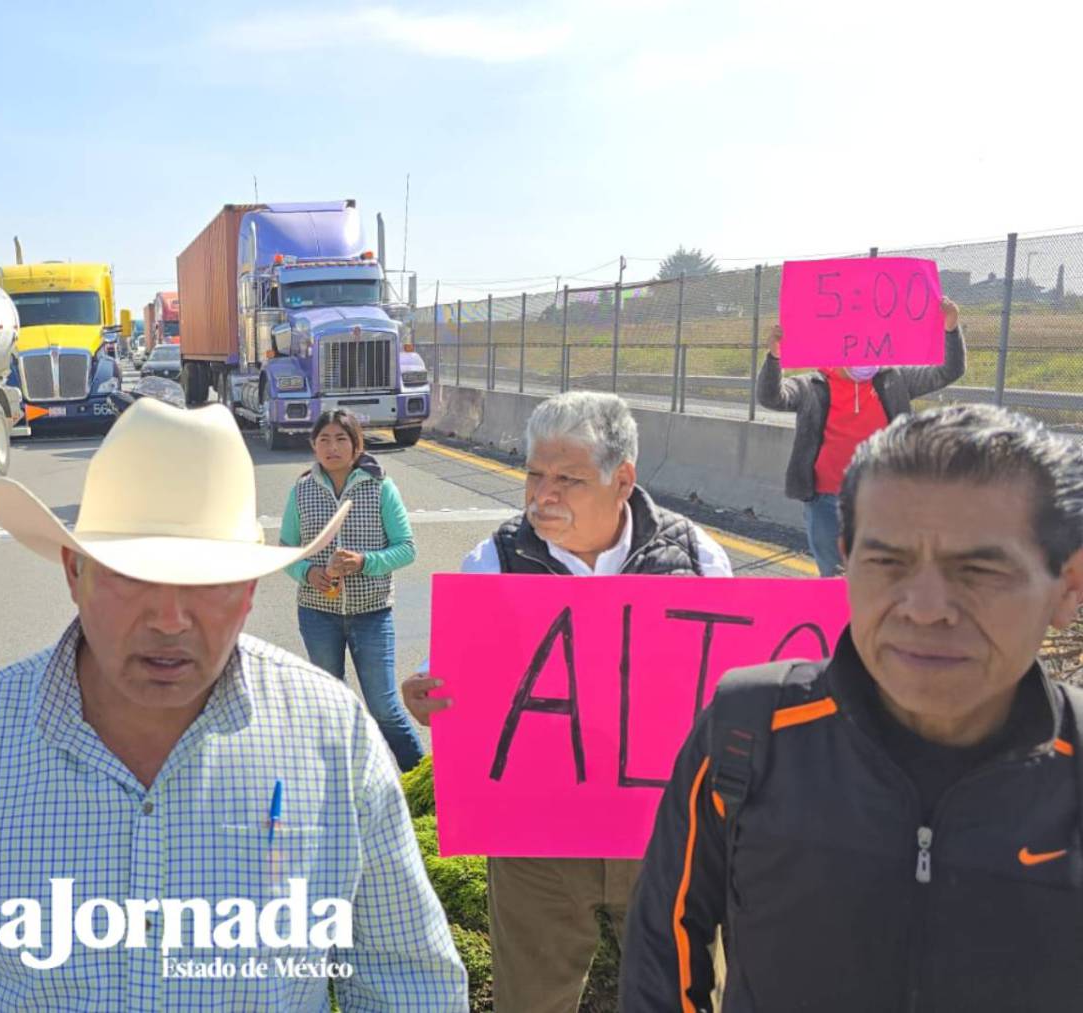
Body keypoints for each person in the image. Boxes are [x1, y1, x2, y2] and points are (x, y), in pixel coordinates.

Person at [0, 399, 468, 1010]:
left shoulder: (335, 739)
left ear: (249, 591)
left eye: (209, 583)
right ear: (73, 572)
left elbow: (406, 983)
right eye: (131, 576)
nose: (170, 621)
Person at [622, 404, 1083, 1011]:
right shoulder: (747, 731)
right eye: (885, 562)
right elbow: (664, 943)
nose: (924, 607)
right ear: (843, 559)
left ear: (1068, 588)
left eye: (979, 569)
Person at [401, 391, 732, 1013]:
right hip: (536, 845)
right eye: (533, 473)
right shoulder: (494, 561)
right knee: (530, 1001)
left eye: (567, 479)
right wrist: (426, 694)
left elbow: (729, 685)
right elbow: (447, 673)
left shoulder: (696, 559)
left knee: (685, 996)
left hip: (664, 837)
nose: (542, 493)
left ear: (622, 480)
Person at [759, 296, 966, 576]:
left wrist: (951, 329)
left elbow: (948, 371)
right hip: (827, 502)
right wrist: (774, 357)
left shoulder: (895, 380)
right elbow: (771, 397)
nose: (866, 358)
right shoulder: (812, 385)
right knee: (834, 580)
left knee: (888, 579)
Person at [280, 409, 424, 772]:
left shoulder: (380, 487)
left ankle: (425, 786)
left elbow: (406, 548)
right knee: (331, 704)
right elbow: (285, 550)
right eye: (324, 439)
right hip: (317, 615)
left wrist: (364, 562)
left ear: (357, 444)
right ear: (313, 445)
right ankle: (344, 785)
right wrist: (308, 572)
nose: (332, 447)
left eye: (341, 439)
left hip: (372, 613)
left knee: (384, 708)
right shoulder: (301, 490)